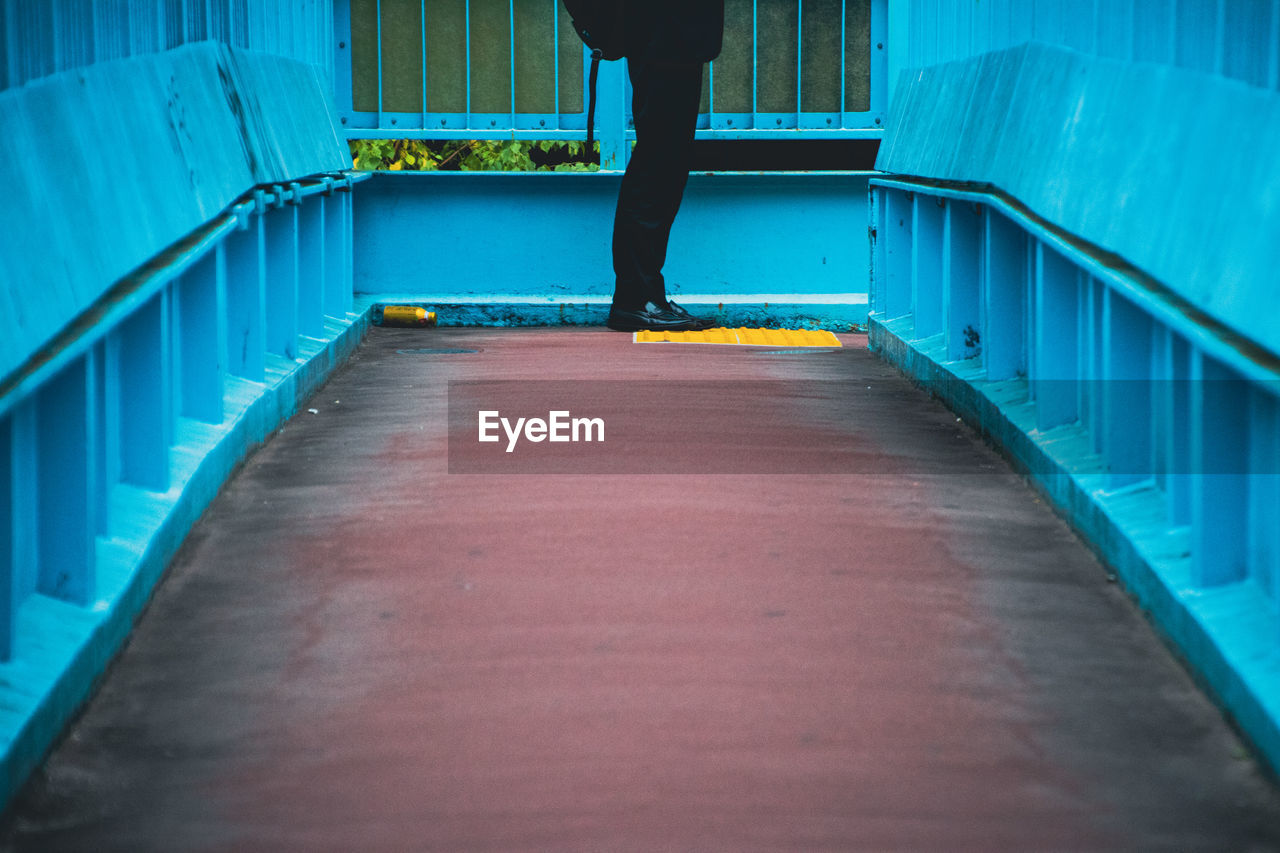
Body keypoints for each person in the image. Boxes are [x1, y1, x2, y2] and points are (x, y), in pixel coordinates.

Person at [604, 0, 725, 332]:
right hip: (667, 36)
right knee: (659, 164)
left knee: (662, 164)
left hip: (668, 37)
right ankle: (637, 300)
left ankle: (638, 297)